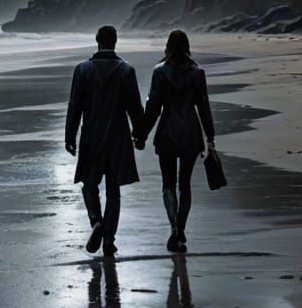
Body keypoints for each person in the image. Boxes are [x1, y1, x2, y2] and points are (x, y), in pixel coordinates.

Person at [65, 25, 144, 256]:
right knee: (113, 191)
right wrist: (139, 134)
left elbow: (74, 107)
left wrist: (70, 137)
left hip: (91, 137)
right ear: (115, 41)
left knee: (89, 185)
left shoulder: (82, 70)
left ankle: (96, 223)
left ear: (97, 40)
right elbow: (135, 109)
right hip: (118, 138)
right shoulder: (126, 71)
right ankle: (108, 241)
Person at [137, 29, 216, 253]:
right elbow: (204, 107)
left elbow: (153, 107)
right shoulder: (198, 73)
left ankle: (173, 229)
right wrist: (210, 136)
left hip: (167, 135)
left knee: (168, 184)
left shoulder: (159, 72)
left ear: (168, 47)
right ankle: (181, 227)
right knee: (186, 185)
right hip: (191, 134)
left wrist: (141, 134)